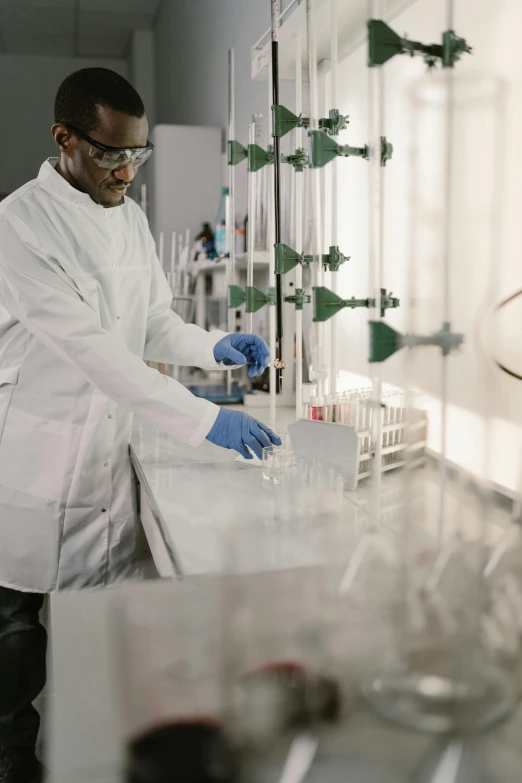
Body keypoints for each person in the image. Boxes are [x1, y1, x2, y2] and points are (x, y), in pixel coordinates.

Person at [0, 68, 280, 782]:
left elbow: (151, 320)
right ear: (64, 139)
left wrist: (209, 345)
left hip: (103, 456)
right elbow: (93, 350)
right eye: (110, 153)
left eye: (138, 154)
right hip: (32, 463)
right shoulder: (18, 225)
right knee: (12, 654)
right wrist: (201, 418)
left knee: (95, 649)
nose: (126, 169)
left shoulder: (122, 211)